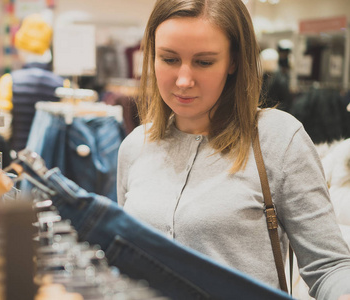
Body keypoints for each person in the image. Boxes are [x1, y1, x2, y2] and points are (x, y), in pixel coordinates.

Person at [115, 0, 350, 299]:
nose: (184, 80)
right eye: (169, 59)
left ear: (234, 61)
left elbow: (328, 266)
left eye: (204, 62)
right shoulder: (135, 146)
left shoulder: (277, 139)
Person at [0, 13, 65, 153]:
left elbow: (1, 130)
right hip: (51, 162)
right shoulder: (62, 84)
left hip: (19, 159)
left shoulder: (8, 81)